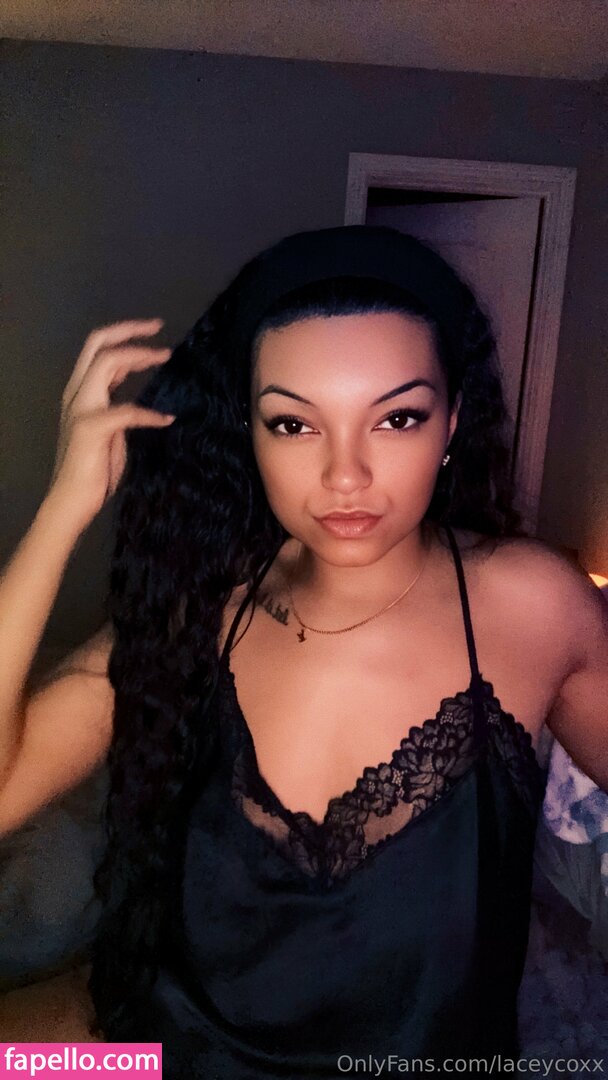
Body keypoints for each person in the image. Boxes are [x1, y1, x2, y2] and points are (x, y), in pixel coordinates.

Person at [0, 225, 606, 1077]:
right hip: (160, 1056)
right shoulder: (206, 613)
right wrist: (62, 511)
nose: (345, 475)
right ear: (248, 431)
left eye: (396, 418)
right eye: (293, 424)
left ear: (451, 422)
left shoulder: (534, 606)